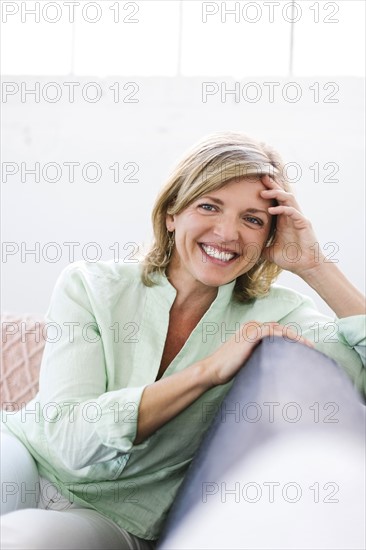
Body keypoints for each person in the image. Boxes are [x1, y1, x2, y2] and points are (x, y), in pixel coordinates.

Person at [1, 131, 365, 549]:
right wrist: (206, 372)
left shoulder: (280, 317)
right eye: (209, 205)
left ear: (269, 237)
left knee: (24, 541)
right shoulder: (91, 285)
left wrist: (316, 266)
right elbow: (68, 441)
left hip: (115, 515)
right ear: (172, 212)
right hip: (28, 457)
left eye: (252, 219)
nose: (227, 232)